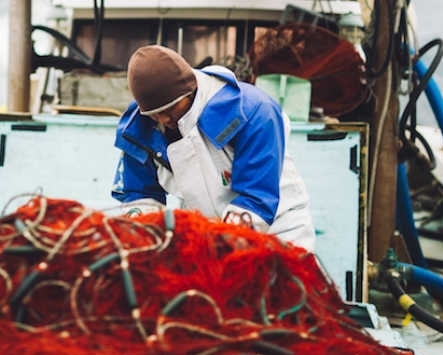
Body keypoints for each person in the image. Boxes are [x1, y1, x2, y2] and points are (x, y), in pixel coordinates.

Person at [111, 45, 315, 251]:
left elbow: (256, 198)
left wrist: (215, 250)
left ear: (190, 91)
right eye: (155, 113)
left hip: (278, 230)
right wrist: (145, 246)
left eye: (171, 108)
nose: (164, 118)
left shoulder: (252, 112)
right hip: (206, 233)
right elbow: (139, 194)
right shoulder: (139, 128)